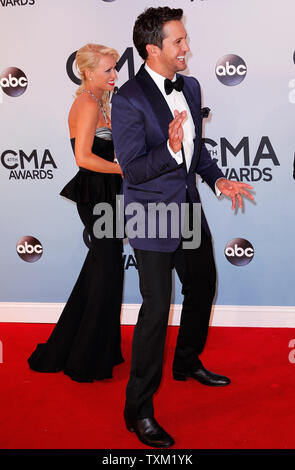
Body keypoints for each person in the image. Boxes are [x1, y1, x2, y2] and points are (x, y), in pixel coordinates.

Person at [111, 7, 254, 448]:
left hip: (188, 206)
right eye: (179, 42)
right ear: (153, 49)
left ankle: (188, 361)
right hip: (151, 213)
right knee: (155, 311)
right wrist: (170, 150)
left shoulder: (190, 85)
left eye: (185, 39)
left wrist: (217, 179)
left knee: (203, 283)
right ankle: (138, 410)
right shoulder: (128, 98)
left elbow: (197, 151)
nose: (187, 48)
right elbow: (133, 170)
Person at [28, 44, 124, 383]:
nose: (115, 75)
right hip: (95, 195)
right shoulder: (85, 103)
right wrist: (123, 169)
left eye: (115, 68)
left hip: (107, 194)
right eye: (108, 70)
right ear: (87, 72)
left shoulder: (101, 101)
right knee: (109, 269)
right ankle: (86, 358)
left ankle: (84, 346)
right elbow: (82, 158)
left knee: (100, 269)